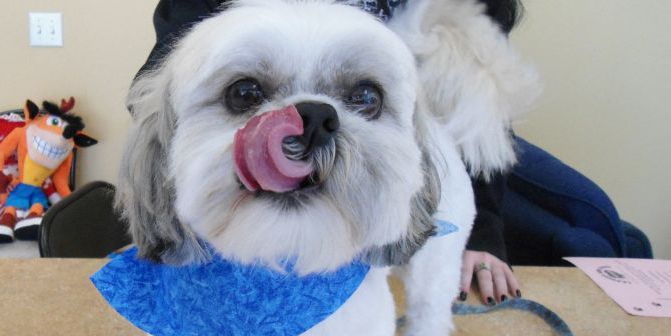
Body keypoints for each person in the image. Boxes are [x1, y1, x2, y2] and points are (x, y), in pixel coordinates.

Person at [137, 0, 525, 305]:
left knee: (580, 215)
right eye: (246, 95)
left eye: (364, 98)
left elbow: (482, 117)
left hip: (429, 150)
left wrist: (486, 230)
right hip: (242, 171)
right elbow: (169, 102)